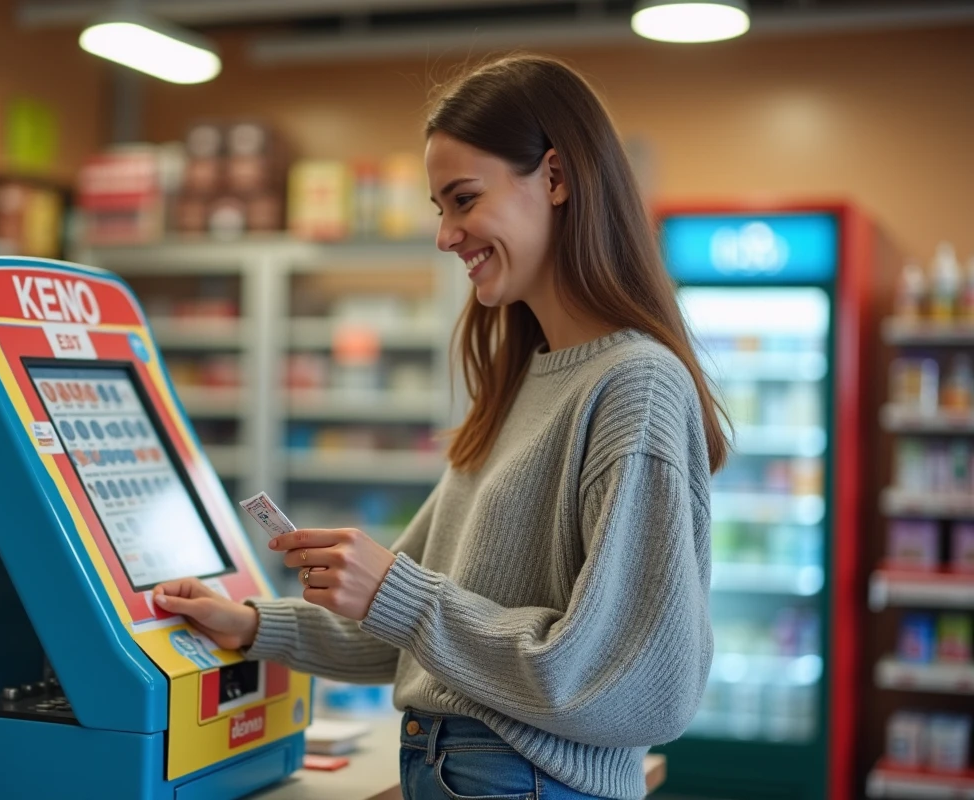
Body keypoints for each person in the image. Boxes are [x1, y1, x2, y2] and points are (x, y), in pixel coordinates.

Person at [154, 54, 726, 800]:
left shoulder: (635, 385)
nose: (446, 235)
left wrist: (398, 590)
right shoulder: (524, 381)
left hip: (524, 779)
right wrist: (251, 623)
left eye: (464, 200)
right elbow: (408, 630)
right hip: (461, 769)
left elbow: (635, 684)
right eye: (439, 209)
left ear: (555, 178)